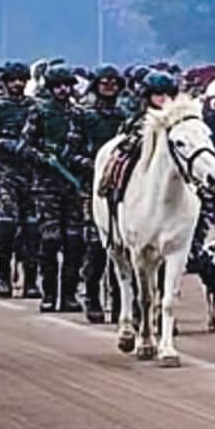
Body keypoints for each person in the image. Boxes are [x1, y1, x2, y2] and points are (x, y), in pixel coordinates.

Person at [21, 65, 89, 313]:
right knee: (50, 240)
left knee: (74, 241)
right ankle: (49, 294)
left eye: (66, 85)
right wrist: (43, 158)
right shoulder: (38, 111)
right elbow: (25, 146)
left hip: (73, 184)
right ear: (49, 88)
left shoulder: (79, 113)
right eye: (58, 85)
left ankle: (69, 295)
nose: (63, 90)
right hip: (46, 185)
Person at [0, 62, 39, 299]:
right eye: (12, 80)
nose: (17, 84)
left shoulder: (35, 107)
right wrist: (4, 144)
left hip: (31, 174)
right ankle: (3, 278)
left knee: (32, 230)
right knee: (6, 227)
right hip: (4, 173)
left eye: (21, 79)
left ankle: (31, 281)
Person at [77, 65, 129, 321]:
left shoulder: (126, 117)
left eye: (114, 83)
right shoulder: (84, 117)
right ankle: (92, 296)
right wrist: (96, 164)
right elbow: (70, 150)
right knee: (97, 247)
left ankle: (121, 302)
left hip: (121, 188)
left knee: (122, 247)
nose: (109, 87)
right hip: (91, 187)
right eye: (104, 82)